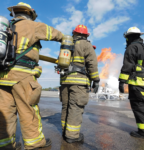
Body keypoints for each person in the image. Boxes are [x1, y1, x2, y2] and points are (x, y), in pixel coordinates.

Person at [0, 2, 63, 150]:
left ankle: (6, 145)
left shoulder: (6, 28)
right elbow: (57, 34)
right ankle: (35, 143)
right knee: (28, 110)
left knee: (4, 113)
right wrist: (67, 42)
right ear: (30, 14)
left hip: (2, 76)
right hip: (23, 75)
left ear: (14, 13)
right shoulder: (33, 26)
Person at [60, 24, 100, 143]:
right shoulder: (87, 45)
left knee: (66, 106)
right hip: (79, 82)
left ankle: (65, 131)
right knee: (76, 108)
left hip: (65, 81)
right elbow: (92, 64)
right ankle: (72, 136)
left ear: (75, 33)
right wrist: (96, 80)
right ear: (86, 35)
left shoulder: (67, 45)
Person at [119, 27, 144, 139]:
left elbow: (128, 66)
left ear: (129, 37)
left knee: (140, 108)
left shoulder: (132, 47)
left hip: (137, 85)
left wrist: (121, 81)